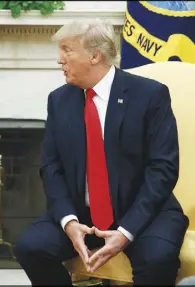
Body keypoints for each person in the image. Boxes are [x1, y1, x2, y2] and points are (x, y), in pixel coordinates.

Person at [14, 18, 189, 285]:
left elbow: (163, 169)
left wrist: (126, 231)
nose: (59, 60)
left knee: (157, 259)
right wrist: (69, 222)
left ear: (95, 56)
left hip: (145, 212)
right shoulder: (59, 100)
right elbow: (51, 167)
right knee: (31, 247)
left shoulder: (150, 95)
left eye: (67, 50)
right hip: (82, 215)